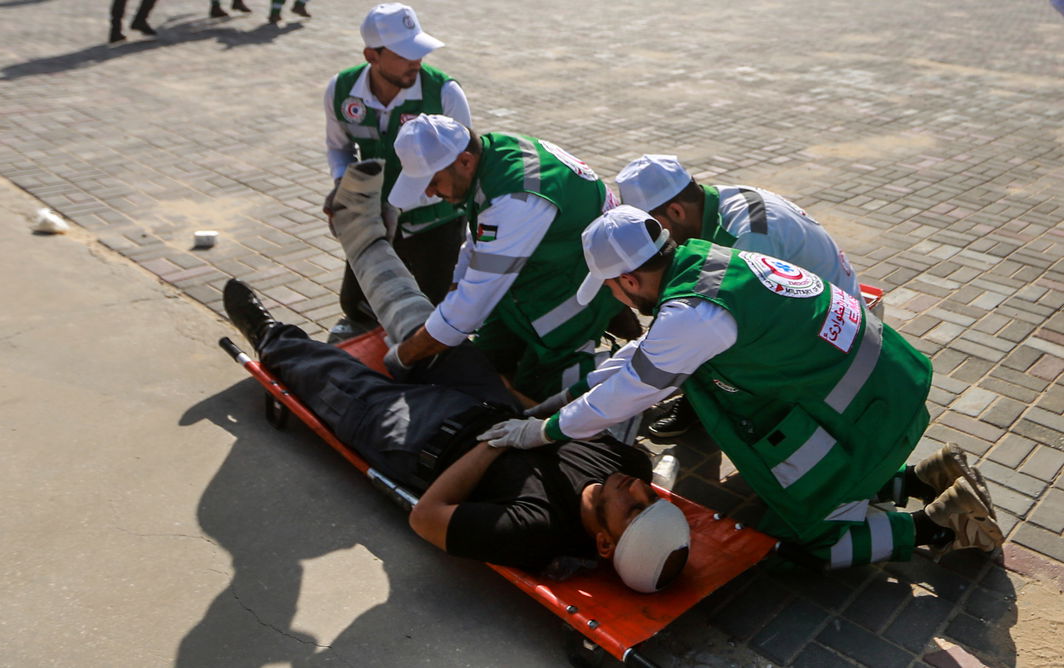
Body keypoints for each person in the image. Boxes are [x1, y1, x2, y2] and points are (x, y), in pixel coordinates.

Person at [220, 159, 690, 591]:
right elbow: (561, 421)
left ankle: (269, 333)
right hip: (489, 400)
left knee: (328, 376)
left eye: (634, 507)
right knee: (420, 323)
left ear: (605, 545)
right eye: (648, 497)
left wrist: (496, 442)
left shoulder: (537, 530)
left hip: (423, 438)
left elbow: (427, 518)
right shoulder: (628, 469)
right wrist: (513, 402)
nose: (635, 489)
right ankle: (359, 228)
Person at [481, 205, 1003, 568]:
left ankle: (943, 526)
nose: (616, 300)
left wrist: (541, 432)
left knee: (808, 540)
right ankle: (921, 477)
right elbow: (637, 361)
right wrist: (569, 400)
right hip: (889, 383)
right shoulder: (707, 262)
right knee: (788, 478)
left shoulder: (692, 317)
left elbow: (630, 392)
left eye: (612, 289)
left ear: (629, 281)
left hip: (871, 414)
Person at [385, 116, 640, 405]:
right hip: (541, 269)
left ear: (464, 162)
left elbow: (469, 308)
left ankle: (620, 386)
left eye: (432, 182)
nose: (430, 193)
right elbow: (477, 242)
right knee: (485, 363)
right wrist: (455, 290)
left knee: (544, 393)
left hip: (577, 285)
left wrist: (402, 356)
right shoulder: (492, 154)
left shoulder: (516, 197)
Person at [615, 154, 861, 437]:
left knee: (704, 332)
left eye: (655, 230)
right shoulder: (713, 203)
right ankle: (705, 402)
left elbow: (736, 321)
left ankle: (732, 413)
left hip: (834, 336)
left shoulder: (747, 236)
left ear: (676, 212)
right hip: (814, 309)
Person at [323, 3, 471, 339]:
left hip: (435, 223)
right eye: (404, 54)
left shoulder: (445, 93)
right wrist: (341, 187)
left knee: (428, 316)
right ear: (371, 56)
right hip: (372, 220)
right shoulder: (341, 91)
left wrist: (404, 205)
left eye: (418, 50)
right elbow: (338, 146)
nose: (416, 61)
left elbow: (462, 170)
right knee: (358, 303)